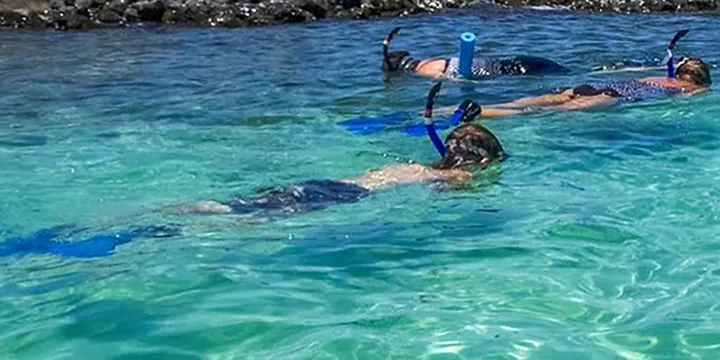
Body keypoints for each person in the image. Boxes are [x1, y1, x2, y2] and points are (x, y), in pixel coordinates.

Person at [183, 84, 503, 217]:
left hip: (327, 183)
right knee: (242, 218)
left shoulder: (421, 166)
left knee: (236, 208)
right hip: (343, 196)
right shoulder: (456, 174)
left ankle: (178, 211)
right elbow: (457, 190)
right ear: (482, 159)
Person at [452, 30, 711, 119]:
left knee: (529, 103)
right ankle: (481, 113)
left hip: (594, 85)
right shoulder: (688, 88)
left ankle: (457, 109)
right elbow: (693, 95)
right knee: (541, 113)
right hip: (613, 95)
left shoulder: (657, 77)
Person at [380, 26, 568, 78]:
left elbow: (446, 79)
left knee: (562, 73)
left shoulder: (423, 70)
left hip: (511, 71)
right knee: (563, 71)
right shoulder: (429, 61)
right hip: (515, 63)